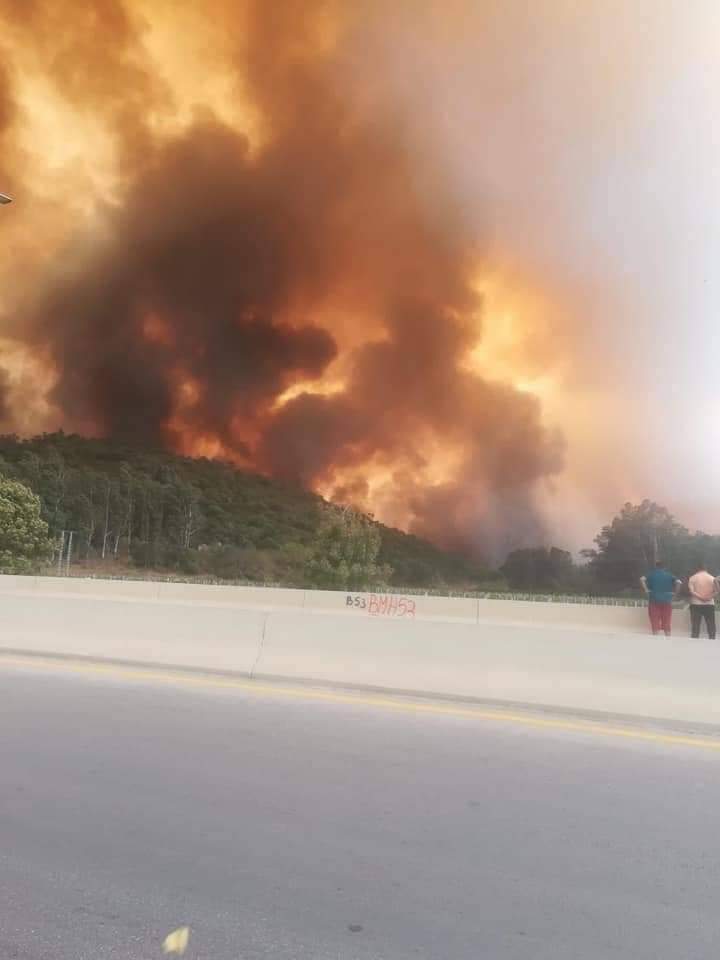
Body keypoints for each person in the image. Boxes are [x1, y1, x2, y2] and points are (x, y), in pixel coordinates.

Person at [640, 560, 681, 636]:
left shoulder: (651, 574)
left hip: (654, 599)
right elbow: (678, 582)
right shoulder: (670, 575)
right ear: (664, 567)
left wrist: (646, 590)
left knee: (654, 620)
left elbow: (642, 579)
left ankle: (656, 637)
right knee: (667, 620)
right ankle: (667, 637)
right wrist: (675, 594)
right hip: (667, 600)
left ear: (656, 566)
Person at [687, 563, 717, 639]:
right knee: (711, 626)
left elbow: (691, 591)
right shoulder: (712, 578)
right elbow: (716, 591)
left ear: (697, 569)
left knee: (695, 626)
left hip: (696, 604)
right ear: (706, 569)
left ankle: (694, 642)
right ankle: (712, 640)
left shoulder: (693, 578)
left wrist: (700, 597)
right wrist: (708, 597)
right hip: (709, 603)